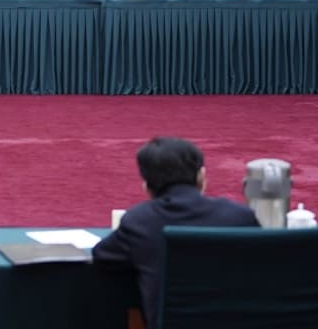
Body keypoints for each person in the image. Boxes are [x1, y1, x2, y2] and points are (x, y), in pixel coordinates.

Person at [92, 137, 259, 329]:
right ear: (201, 176)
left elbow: (102, 256)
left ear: (147, 186)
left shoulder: (139, 221)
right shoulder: (239, 216)